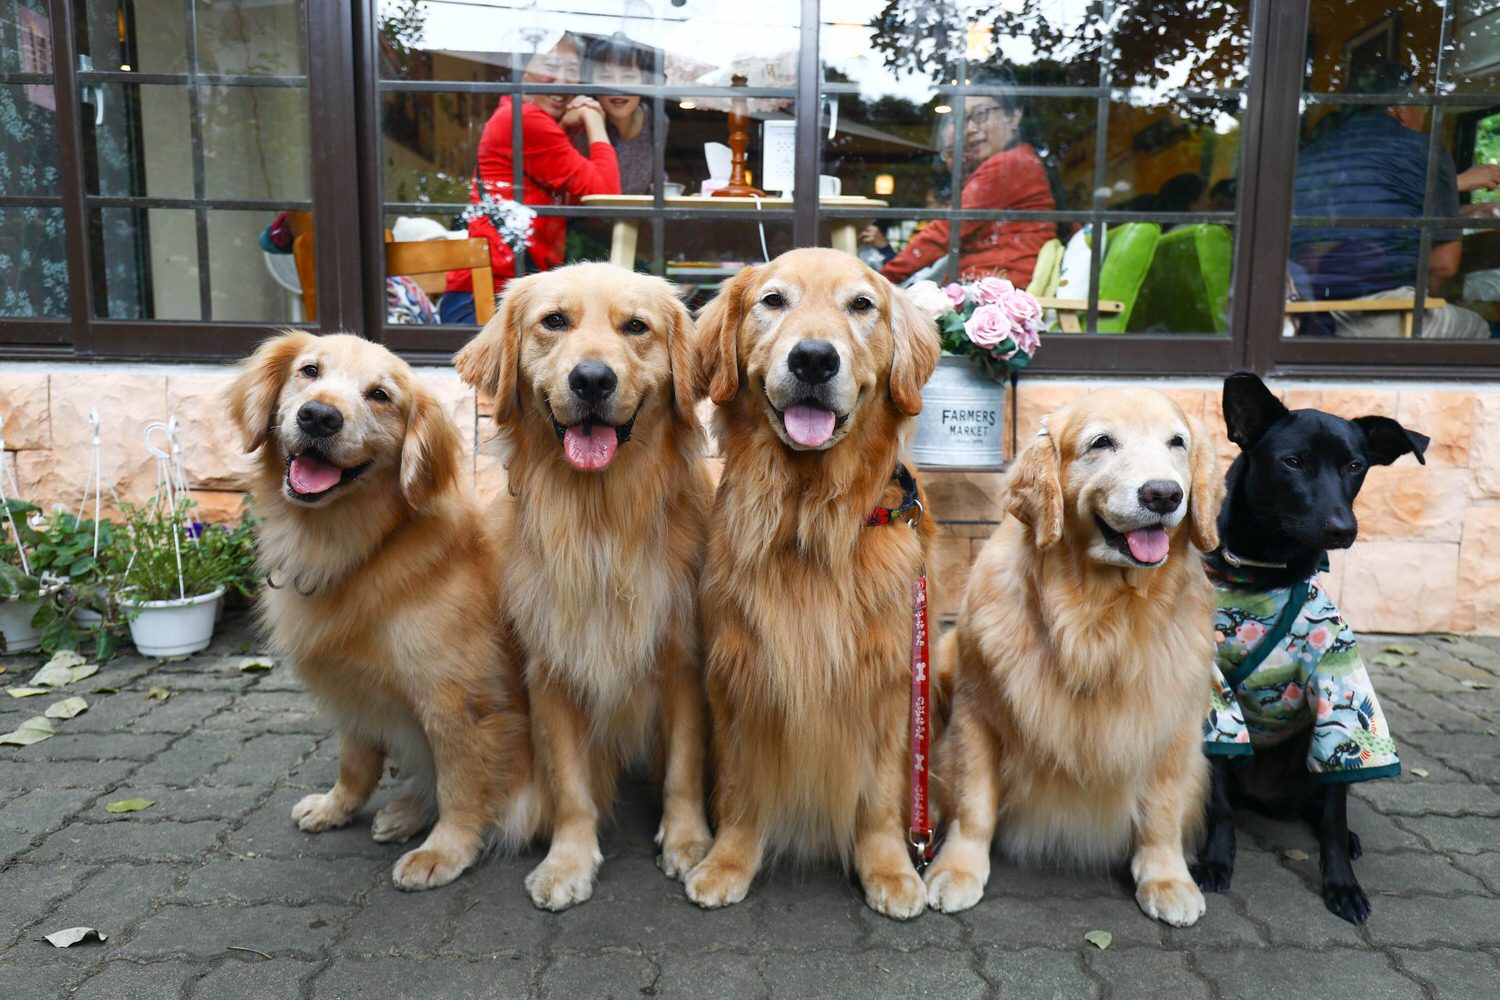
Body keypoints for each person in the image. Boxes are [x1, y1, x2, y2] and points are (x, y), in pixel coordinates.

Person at [1291, 61, 1497, 339]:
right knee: (1480, 328)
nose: (1423, 114)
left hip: (1306, 313)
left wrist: (1462, 208)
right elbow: (1443, 266)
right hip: (1383, 314)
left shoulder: (1310, 156)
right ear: (1401, 109)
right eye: (1421, 104)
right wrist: (1435, 305)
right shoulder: (1425, 150)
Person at [440, 33, 621, 324]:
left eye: (572, 70)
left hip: (500, 290)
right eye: (550, 65)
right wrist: (594, 119)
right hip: (487, 297)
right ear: (524, 71)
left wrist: (567, 130)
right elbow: (608, 194)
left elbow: (581, 198)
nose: (562, 79)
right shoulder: (525, 120)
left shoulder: (521, 118)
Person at [879, 80, 1057, 288]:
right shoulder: (1017, 161)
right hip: (988, 285)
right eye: (963, 120)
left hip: (993, 291)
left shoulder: (1008, 164)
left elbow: (946, 230)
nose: (970, 129)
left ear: (1014, 117)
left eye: (981, 114)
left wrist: (881, 279)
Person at [580, 33, 663, 196]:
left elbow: (657, 180)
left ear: (644, 81)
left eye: (628, 76)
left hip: (637, 220)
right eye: (606, 77)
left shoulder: (656, 121)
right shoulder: (582, 123)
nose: (617, 87)